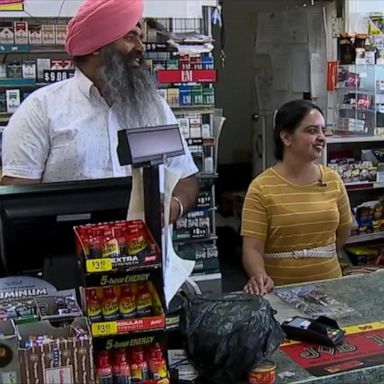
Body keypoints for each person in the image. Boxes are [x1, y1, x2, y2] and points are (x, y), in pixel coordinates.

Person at [1, 0, 198, 223]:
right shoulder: (40, 110)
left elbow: (186, 179)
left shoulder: (155, 108)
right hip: (68, 252)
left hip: (148, 251)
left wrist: (175, 206)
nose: (140, 48)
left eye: (140, 38)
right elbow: (18, 201)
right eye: (130, 37)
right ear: (96, 46)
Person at [241, 99, 353, 295]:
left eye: (322, 130)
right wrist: (259, 276)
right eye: (312, 131)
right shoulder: (261, 188)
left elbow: (344, 230)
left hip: (331, 288)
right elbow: (252, 249)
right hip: (281, 292)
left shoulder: (333, 179)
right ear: (286, 137)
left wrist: (318, 258)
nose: (321, 137)